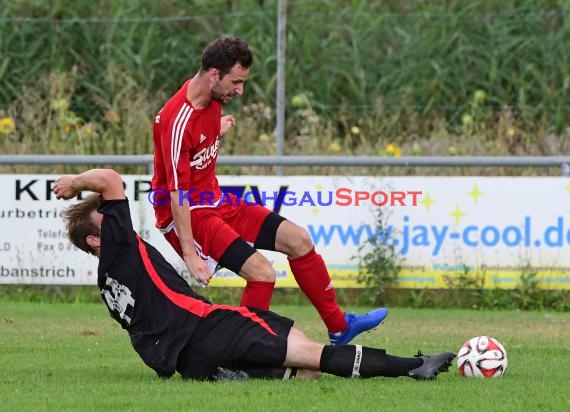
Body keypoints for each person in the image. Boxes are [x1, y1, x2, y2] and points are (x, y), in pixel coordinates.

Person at [53, 168, 455, 381]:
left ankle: (242, 372)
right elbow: (109, 179)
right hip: (209, 328)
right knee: (311, 351)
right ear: (94, 240)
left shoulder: (107, 283)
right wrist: (75, 184)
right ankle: (414, 367)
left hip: (188, 360)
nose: (114, 214)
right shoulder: (119, 245)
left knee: (306, 369)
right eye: (105, 217)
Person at [151, 36, 387, 346]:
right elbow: (176, 193)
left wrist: (215, 131)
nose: (240, 90)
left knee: (299, 239)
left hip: (215, 200)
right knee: (262, 273)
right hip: (188, 213)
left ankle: (340, 327)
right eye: (236, 81)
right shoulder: (178, 119)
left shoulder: (211, 100)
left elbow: (195, 143)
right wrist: (190, 255)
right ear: (213, 74)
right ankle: (240, 354)